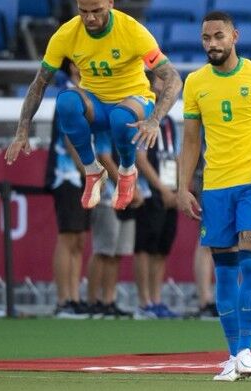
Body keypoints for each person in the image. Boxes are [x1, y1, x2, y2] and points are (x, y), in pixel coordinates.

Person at [5, 0, 182, 214]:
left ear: (110, 2)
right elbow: (39, 84)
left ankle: (128, 171)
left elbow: (173, 78)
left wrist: (154, 120)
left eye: (96, 11)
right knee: (66, 101)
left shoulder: (132, 31)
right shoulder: (66, 35)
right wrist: (22, 129)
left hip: (134, 100)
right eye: (83, 11)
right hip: (96, 103)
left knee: (120, 118)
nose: (89, 18)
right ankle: (92, 170)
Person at [177, 11, 251, 381]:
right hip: (215, 187)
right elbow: (191, 140)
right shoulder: (194, 83)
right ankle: (233, 354)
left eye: (219, 36)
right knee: (223, 271)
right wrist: (183, 187)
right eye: (206, 37)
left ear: (234, 36)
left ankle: (247, 350)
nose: (212, 44)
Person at [46, 59, 115, 319]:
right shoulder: (69, 94)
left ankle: (74, 297)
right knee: (67, 237)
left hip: (83, 176)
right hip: (67, 175)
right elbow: (69, 138)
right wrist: (88, 170)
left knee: (79, 239)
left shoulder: (92, 95)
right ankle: (64, 299)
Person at [133, 72, 181, 319]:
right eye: (163, 82)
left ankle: (157, 299)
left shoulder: (170, 122)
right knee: (145, 246)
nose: (168, 87)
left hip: (170, 192)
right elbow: (140, 158)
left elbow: (177, 155)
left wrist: (178, 189)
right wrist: (162, 189)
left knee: (162, 248)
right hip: (150, 192)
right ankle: (144, 301)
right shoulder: (144, 115)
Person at [86, 172, 138, 318]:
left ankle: (108, 301)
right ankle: (92, 301)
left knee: (116, 253)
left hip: (127, 195)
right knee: (102, 250)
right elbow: (105, 157)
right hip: (108, 195)